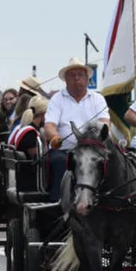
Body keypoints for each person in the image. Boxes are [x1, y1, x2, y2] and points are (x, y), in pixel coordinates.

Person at [43, 57, 111, 202]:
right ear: (66, 79)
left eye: (80, 75)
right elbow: (49, 126)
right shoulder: (57, 99)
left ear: (87, 79)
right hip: (64, 150)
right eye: (72, 75)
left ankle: (107, 200)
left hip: (92, 150)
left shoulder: (98, 99)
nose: (76, 78)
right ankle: (58, 203)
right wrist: (55, 138)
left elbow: (105, 124)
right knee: (61, 162)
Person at [6, 94, 49, 193]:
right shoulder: (30, 134)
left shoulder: (21, 128)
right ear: (43, 115)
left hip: (20, 178)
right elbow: (38, 160)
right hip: (29, 182)